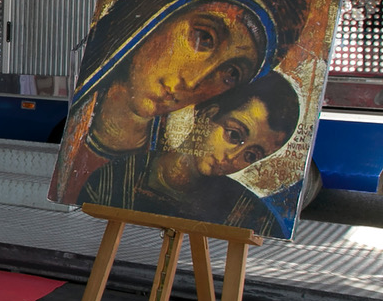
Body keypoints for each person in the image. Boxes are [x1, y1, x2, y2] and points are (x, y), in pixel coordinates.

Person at [52, 0, 313, 204]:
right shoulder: (82, 137)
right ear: (159, 9)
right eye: (204, 38)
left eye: (230, 74)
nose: (194, 82)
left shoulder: (166, 170)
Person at [78, 71, 301, 237]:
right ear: (208, 114)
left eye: (251, 155)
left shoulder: (251, 215)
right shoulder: (111, 180)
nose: (233, 157)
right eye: (234, 135)